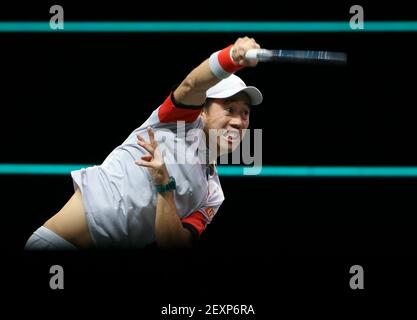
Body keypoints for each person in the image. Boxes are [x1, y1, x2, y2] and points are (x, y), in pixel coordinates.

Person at [24, 36, 263, 250]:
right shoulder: (176, 120)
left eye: (245, 113)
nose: (238, 121)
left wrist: (164, 188)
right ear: (203, 111)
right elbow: (193, 85)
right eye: (229, 109)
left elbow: (174, 245)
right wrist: (231, 56)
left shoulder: (213, 194)